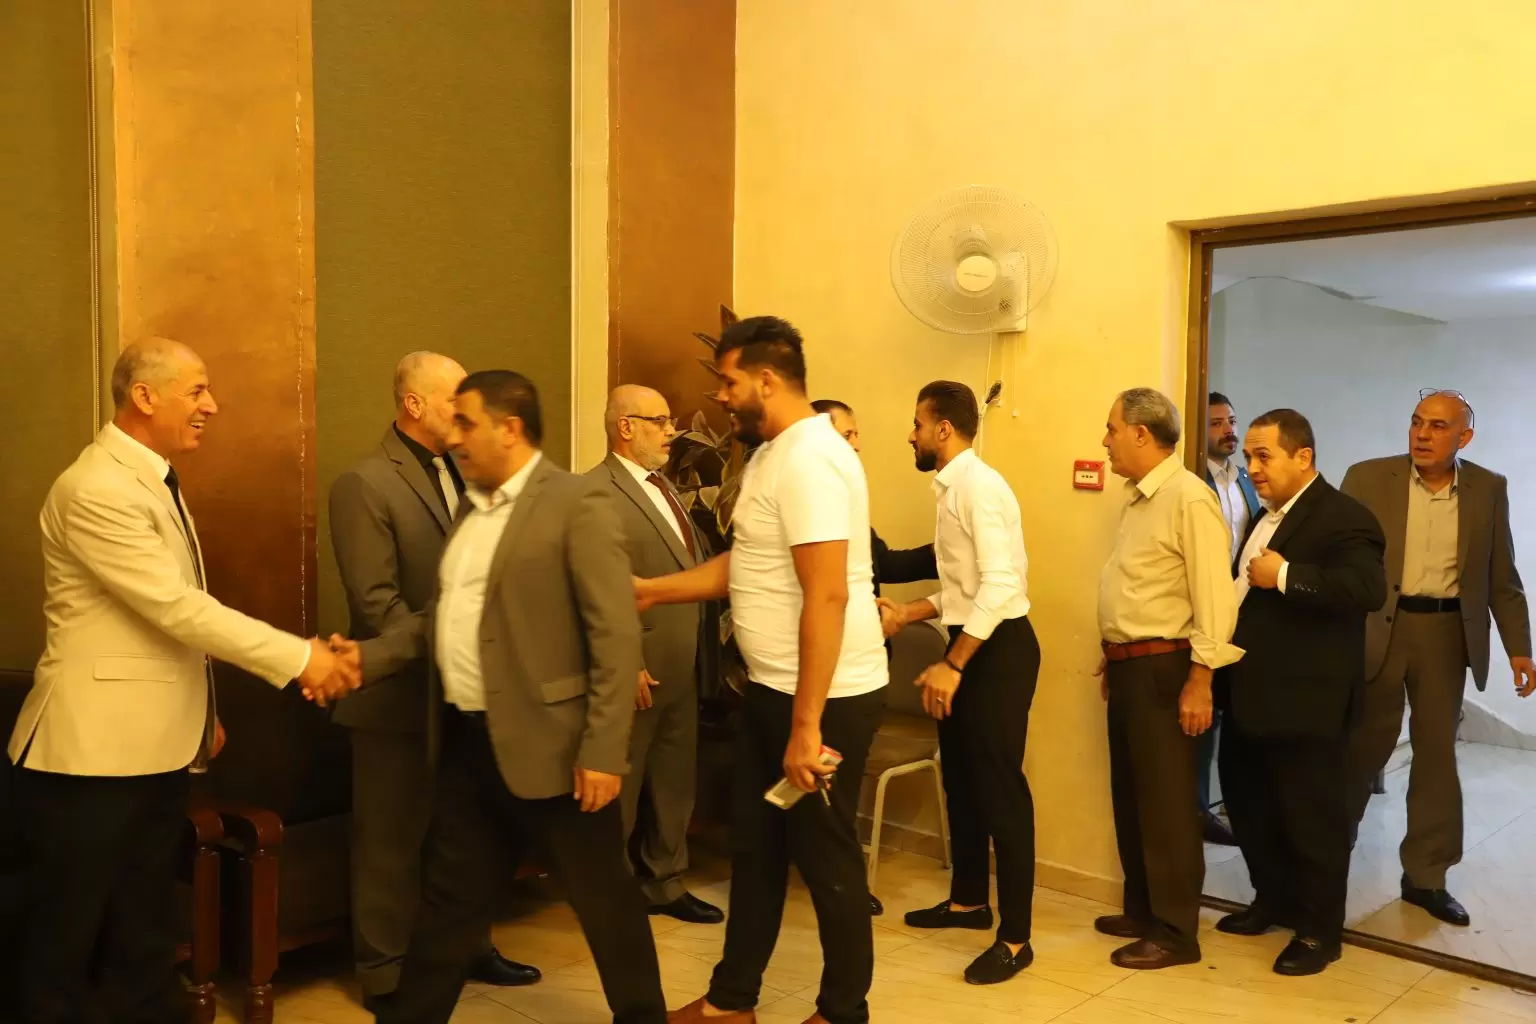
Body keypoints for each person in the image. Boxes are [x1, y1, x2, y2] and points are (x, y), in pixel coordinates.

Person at [7, 338, 358, 1024]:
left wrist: (202, 714)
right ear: (144, 396)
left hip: (152, 748)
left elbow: (162, 626)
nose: (211, 405)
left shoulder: (151, 478)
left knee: (142, 931)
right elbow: (175, 607)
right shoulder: (97, 487)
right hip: (90, 757)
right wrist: (302, 659)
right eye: (196, 390)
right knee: (62, 941)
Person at [347, 370, 667, 1024]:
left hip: (559, 754)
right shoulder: (471, 509)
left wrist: (603, 751)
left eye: (466, 423)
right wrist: (363, 658)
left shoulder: (577, 503)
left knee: (608, 910)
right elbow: (441, 620)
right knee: (447, 905)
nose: (454, 437)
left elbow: (614, 635)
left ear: (510, 428)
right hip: (470, 743)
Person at [636, 316, 886, 1024]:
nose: (719, 395)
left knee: (826, 858)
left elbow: (827, 594)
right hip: (775, 690)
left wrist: (807, 728)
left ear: (767, 380)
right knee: (757, 846)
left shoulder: (812, 460)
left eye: (729, 381)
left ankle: (843, 1012)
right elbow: (747, 566)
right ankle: (731, 1002)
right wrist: (650, 591)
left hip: (825, 700)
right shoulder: (776, 454)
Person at [328, 352, 539, 1013]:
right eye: (454, 398)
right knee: (389, 844)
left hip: (465, 695)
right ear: (414, 404)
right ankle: (385, 973)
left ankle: (468, 947)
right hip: (396, 697)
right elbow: (376, 603)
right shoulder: (365, 483)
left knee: (463, 833)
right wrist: (454, 642)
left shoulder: (468, 473)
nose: (465, 410)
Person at [1341, 389, 1535, 927]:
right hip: (1380, 627)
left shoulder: (1487, 488)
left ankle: (1426, 876)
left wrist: (1519, 647)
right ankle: (1327, 854)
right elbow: (1339, 560)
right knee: (1360, 748)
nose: (1423, 435)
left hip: (1446, 633)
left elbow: (1501, 575)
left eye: (1438, 426)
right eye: (1417, 422)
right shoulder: (1367, 478)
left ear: (1464, 437)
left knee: (1436, 756)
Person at [876, 381, 1039, 986]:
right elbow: (962, 591)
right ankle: (969, 902)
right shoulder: (951, 491)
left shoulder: (978, 488)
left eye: (918, 424)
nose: (911, 435)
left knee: (1001, 793)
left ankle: (1016, 940)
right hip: (973, 647)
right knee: (963, 784)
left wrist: (955, 662)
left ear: (943, 429)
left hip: (999, 654)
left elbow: (1000, 587)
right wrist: (908, 613)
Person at [1216, 409, 1385, 976]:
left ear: (1303, 457)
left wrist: (1286, 575)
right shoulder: (1263, 516)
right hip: (1247, 693)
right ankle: (1272, 901)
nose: (1253, 467)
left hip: (1307, 702)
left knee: (1311, 821)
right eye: (1249, 457)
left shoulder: (1345, 517)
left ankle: (1318, 933)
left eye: (1264, 456)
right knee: (1252, 809)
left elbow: (1366, 589)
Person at [1095, 387, 1242, 970]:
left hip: (1169, 670)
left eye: (1111, 430)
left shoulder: (1188, 498)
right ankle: (1143, 911)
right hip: (1131, 667)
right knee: (1133, 797)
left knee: (1168, 806)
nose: (1105, 441)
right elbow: (1142, 588)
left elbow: (1215, 599)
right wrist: (1114, 653)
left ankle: (1177, 933)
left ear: (1140, 433)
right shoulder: (1138, 499)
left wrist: (1200, 680)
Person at [586, 385, 723, 925]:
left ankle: (665, 882)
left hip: (683, 663)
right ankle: (609, 893)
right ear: (626, 427)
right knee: (621, 787)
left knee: (673, 780)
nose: (672, 431)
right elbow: (595, 587)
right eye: (660, 421)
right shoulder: (595, 492)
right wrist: (626, 660)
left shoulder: (663, 486)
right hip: (636, 666)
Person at [811, 397, 938, 917]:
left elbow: (889, 564)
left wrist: (954, 548)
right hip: (826, 676)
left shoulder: (849, 506)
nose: (858, 445)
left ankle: (833, 876)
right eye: (848, 435)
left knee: (837, 780)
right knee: (825, 780)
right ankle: (836, 881)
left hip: (860, 679)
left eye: (857, 434)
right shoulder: (810, 508)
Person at [1197, 392, 1259, 848]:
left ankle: (1234, 805)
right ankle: (1198, 809)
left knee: (1231, 712)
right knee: (1204, 716)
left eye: (1232, 421)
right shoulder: (1193, 482)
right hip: (1202, 608)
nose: (1229, 430)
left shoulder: (1245, 480)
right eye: (1217, 422)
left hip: (1239, 607)